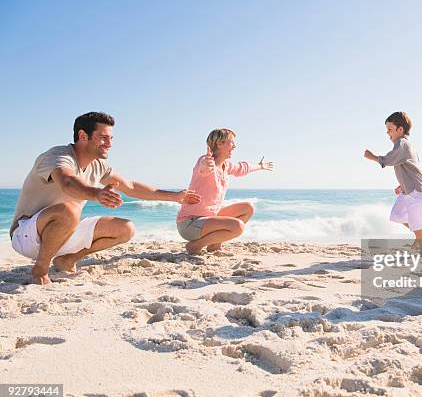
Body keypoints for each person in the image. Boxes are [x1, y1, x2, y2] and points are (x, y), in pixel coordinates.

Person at [10, 112, 201, 285]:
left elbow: (131, 186)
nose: (109, 144)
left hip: (62, 233)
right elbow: (67, 182)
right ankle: (40, 269)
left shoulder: (98, 166)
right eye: (103, 138)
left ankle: (67, 259)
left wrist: (175, 196)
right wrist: (96, 194)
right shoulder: (58, 156)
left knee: (125, 228)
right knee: (69, 209)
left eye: (110, 138)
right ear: (83, 136)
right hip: (26, 235)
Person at [176, 128, 273, 254]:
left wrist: (260, 166)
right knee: (237, 226)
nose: (234, 146)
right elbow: (203, 169)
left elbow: (242, 168)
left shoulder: (226, 166)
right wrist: (206, 165)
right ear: (219, 143)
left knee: (247, 208)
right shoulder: (205, 161)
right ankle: (195, 246)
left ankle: (214, 244)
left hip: (209, 219)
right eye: (231, 142)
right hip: (190, 223)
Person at [364, 111, 422, 253]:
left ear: (400, 129)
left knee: (417, 222)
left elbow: (390, 159)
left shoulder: (402, 143)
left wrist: (373, 157)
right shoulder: (404, 145)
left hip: (415, 190)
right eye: (387, 130)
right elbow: (410, 168)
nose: (388, 134)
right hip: (409, 188)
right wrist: (402, 184)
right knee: (397, 215)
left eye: (390, 130)